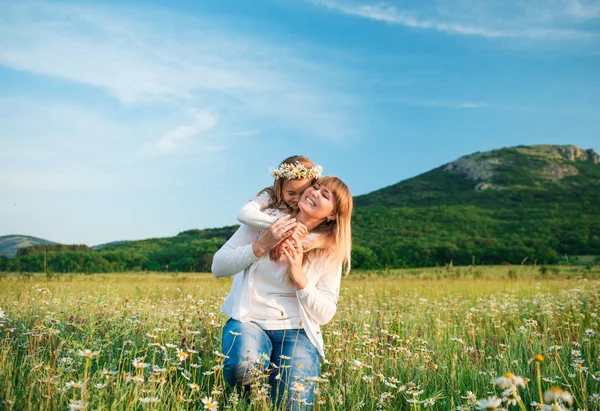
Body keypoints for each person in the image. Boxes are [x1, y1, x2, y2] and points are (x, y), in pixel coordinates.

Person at [212, 176, 353, 409]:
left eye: (325, 195)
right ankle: (252, 394)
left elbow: (326, 314)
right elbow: (218, 266)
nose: (315, 193)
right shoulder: (265, 221)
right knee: (242, 367)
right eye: (315, 187)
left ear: (333, 215)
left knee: (294, 403)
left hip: (296, 331)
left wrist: (299, 275)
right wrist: (262, 244)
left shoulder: (328, 250)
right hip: (250, 320)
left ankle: (272, 383)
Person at [237, 155, 322, 230]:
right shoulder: (271, 196)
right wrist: (286, 225)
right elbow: (243, 213)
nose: (297, 199)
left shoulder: (309, 210)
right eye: (291, 193)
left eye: (303, 193)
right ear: (280, 188)